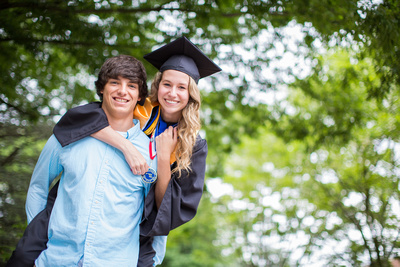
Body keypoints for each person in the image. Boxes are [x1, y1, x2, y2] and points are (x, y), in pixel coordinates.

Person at [7, 37, 221, 266]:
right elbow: (80, 121)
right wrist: (125, 145)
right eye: (167, 84)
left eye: (182, 87)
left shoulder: (193, 146)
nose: (172, 93)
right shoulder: (138, 109)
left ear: (192, 94)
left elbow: (164, 211)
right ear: (157, 87)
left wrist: (161, 156)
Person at [8, 54, 165, 266]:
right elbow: (38, 187)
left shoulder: (151, 153)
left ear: (139, 96)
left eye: (131, 86)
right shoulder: (68, 137)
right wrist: (34, 241)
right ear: (102, 88)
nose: (122, 91)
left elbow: (158, 212)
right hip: (55, 259)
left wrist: (154, 260)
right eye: (114, 83)